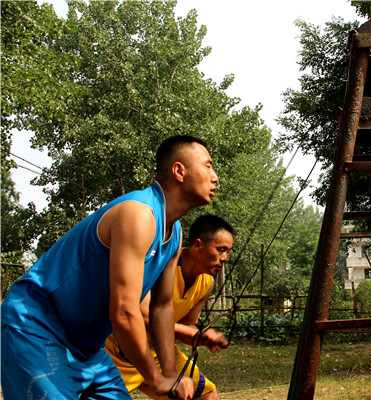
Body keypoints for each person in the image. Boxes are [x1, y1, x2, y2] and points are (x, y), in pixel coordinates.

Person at [1, 135, 218, 400]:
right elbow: (124, 311)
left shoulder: (174, 234)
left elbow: (161, 307)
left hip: (88, 348)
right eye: (208, 166)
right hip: (36, 327)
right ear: (179, 171)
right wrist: (156, 378)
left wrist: (170, 372)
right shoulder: (138, 215)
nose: (215, 177)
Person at [105, 214, 234, 400]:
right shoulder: (161, 264)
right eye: (221, 250)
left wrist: (202, 337)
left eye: (228, 251)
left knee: (207, 395)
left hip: (160, 355)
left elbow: (188, 325)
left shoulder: (207, 283)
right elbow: (142, 316)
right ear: (198, 245)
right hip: (120, 353)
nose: (225, 258)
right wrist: (190, 333)